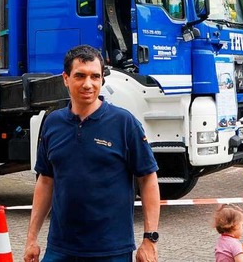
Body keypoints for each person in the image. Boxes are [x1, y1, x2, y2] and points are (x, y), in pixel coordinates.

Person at [23, 45, 160, 262]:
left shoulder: (124, 123)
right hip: (60, 249)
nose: (88, 84)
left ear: (102, 80)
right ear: (66, 78)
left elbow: (148, 179)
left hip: (111, 251)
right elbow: (46, 181)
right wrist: (32, 239)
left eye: (95, 76)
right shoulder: (52, 123)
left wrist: (149, 240)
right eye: (80, 76)